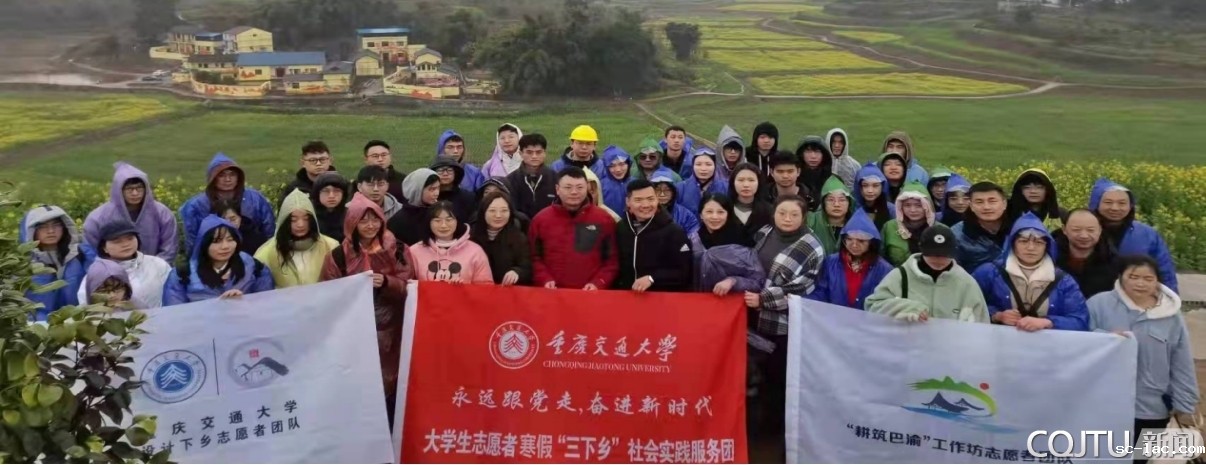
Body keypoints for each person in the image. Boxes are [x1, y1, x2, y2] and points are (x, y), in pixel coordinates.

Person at [1087, 255, 1198, 454]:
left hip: (1152, 408)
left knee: (1141, 457)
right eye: (1133, 277)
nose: (1140, 283)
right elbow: (1079, 342)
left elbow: (1181, 362)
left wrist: (1185, 405)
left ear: (1157, 281)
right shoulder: (1098, 304)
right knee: (1102, 455)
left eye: (1148, 278)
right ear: (1120, 277)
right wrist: (1104, 338)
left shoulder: (1171, 316)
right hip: (1104, 404)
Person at [744, 195, 825, 456]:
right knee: (754, 376)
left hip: (783, 326)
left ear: (804, 217)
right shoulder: (764, 233)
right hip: (752, 319)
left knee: (778, 379)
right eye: (782, 213)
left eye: (794, 215)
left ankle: (775, 431)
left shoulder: (812, 247)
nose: (787, 219)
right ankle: (753, 427)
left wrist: (764, 299)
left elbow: (803, 287)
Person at [320, 193, 412, 421]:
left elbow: (409, 286)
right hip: (354, 333)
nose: (371, 226)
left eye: (375, 219)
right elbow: (328, 295)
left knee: (391, 386)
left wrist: (387, 282)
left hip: (392, 331)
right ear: (352, 223)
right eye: (363, 220)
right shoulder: (338, 256)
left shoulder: (398, 249)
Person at [973, 212, 1089, 331]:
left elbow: (1080, 321)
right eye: (1023, 241)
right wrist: (996, 316)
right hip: (998, 340)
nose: (1031, 248)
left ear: (1047, 246)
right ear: (1012, 244)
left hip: (1047, 342)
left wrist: (1048, 322)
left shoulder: (1064, 281)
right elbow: (968, 306)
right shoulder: (989, 273)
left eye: (1039, 242)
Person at [865, 224, 989, 323]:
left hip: (949, 345)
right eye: (932, 254)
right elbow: (872, 306)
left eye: (944, 255)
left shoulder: (966, 283)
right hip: (907, 344)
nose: (938, 260)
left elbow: (981, 323)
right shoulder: (901, 276)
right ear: (922, 250)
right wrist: (907, 308)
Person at [528, 167, 619, 290]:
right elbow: (534, 257)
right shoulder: (541, 220)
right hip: (552, 293)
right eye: (568, 187)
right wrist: (544, 279)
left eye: (580, 187)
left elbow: (612, 260)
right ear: (557, 189)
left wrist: (599, 282)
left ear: (587, 188)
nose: (574, 192)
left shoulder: (604, 219)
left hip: (591, 293)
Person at [163, 215, 274, 306]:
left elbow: (266, 305)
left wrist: (244, 302)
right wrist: (217, 306)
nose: (225, 246)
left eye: (230, 240)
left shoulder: (254, 267)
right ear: (204, 244)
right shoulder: (182, 274)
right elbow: (175, 313)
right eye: (217, 241)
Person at [1090, 177, 1177, 292]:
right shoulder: (1083, 230)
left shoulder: (1147, 234)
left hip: (1137, 296)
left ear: (1130, 206)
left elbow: (1165, 271)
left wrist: (1170, 298)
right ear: (1096, 204)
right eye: (1108, 202)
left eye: (1122, 203)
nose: (1115, 208)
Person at [179, 153, 274, 253]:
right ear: (213, 178)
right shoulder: (196, 205)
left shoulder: (255, 198)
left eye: (232, 174)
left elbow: (269, 229)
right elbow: (192, 241)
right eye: (221, 175)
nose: (228, 179)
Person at [83, 162, 177, 262]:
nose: (135, 193)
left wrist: (153, 268)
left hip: (155, 268)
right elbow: (90, 252)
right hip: (111, 270)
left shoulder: (162, 213)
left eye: (139, 188)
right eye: (129, 189)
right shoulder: (98, 218)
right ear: (118, 190)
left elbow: (169, 249)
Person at [615, 180, 693, 292]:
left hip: (660, 297)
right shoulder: (621, 228)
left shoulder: (674, 231)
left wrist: (652, 278)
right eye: (638, 200)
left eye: (650, 199)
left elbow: (684, 271)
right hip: (626, 296)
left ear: (657, 200)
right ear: (628, 201)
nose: (646, 205)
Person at [254, 189, 340, 289]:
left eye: (306, 219)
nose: (300, 224)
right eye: (293, 220)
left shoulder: (331, 246)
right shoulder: (266, 253)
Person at [808, 210, 893, 310]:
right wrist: (800, 301)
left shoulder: (885, 269)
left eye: (861, 241)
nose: (854, 245)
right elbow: (821, 292)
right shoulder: (830, 262)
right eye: (849, 239)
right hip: (835, 317)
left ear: (871, 243)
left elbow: (886, 302)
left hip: (868, 318)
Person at [21, 205, 95, 320]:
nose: (51, 231)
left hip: (80, 322)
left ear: (65, 226)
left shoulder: (82, 254)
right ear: (31, 231)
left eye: (56, 225)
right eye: (43, 226)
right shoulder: (22, 265)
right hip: (38, 327)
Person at [77, 220, 171, 309]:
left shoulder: (157, 264)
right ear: (104, 247)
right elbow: (87, 306)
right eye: (117, 241)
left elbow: (171, 295)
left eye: (130, 238)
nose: (125, 244)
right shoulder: (97, 274)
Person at [689, 193, 763, 295]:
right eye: (709, 212)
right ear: (701, 215)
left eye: (720, 212)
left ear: (728, 214)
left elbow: (757, 281)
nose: (715, 217)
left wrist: (733, 281)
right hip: (698, 300)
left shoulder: (741, 241)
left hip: (731, 301)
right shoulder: (693, 240)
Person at [406, 201, 493, 284]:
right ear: (429, 223)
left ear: (457, 221)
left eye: (449, 220)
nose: (443, 225)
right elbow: (406, 284)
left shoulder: (475, 252)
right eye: (437, 220)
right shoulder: (414, 251)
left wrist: (463, 288)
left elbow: (486, 287)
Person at [470, 191, 532, 286]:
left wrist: (517, 272)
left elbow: (527, 267)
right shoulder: (471, 236)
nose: (498, 215)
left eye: (504, 210)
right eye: (492, 211)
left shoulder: (519, 238)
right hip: (477, 289)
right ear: (483, 212)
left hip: (507, 290)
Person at [1053, 209, 1117, 298]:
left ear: (1100, 230)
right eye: (1076, 230)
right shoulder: (1050, 258)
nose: (1084, 235)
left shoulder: (1114, 262)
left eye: (1090, 230)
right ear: (1064, 230)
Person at [953, 182, 1011, 273]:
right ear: (971, 206)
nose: (986, 207)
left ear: (1004, 204)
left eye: (992, 201)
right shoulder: (957, 235)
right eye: (979, 202)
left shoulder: (1019, 228)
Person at [881, 181, 936, 266]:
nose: (912, 210)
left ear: (927, 206)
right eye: (907, 205)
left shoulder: (938, 229)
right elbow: (881, 258)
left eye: (918, 205)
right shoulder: (889, 227)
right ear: (900, 207)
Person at [506, 134, 558, 220]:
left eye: (539, 152)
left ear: (544, 153)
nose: (534, 156)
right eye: (529, 152)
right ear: (520, 153)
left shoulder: (556, 179)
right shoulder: (510, 180)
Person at [387, 168, 441, 246]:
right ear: (417, 191)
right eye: (431, 189)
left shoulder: (440, 213)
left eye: (438, 188)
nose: (436, 193)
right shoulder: (398, 221)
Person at [805, 176, 853, 255]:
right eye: (831, 200)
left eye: (842, 200)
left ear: (849, 203)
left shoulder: (856, 224)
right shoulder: (811, 221)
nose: (836, 204)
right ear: (823, 203)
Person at [676, 147, 728, 214]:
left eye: (708, 164)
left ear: (715, 166)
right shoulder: (680, 188)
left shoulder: (726, 187)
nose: (703, 169)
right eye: (698, 164)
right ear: (692, 166)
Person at [729, 163, 774, 238]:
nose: (746, 185)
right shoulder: (724, 208)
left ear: (759, 182)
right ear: (733, 182)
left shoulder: (769, 211)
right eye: (741, 180)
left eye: (751, 180)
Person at [429, 155, 477, 221]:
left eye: (449, 170)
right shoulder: (429, 197)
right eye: (440, 170)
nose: (445, 174)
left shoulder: (468, 197)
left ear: (456, 173)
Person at [853, 162, 895, 230]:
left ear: (882, 187)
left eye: (875, 186)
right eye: (865, 185)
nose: (870, 191)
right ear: (859, 187)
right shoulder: (852, 207)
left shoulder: (891, 210)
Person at [310, 171, 350, 243]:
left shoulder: (350, 215)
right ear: (317, 193)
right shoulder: (310, 215)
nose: (331, 196)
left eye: (337, 191)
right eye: (326, 191)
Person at [795, 136, 833, 201]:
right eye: (808, 151)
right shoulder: (793, 179)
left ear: (824, 155)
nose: (813, 156)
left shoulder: (831, 179)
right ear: (801, 154)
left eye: (817, 152)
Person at [600, 144, 634, 218]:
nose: (618, 169)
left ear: (628, 164)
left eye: (621, 164)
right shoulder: (601, 186)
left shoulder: (635, 183)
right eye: (612, 166)